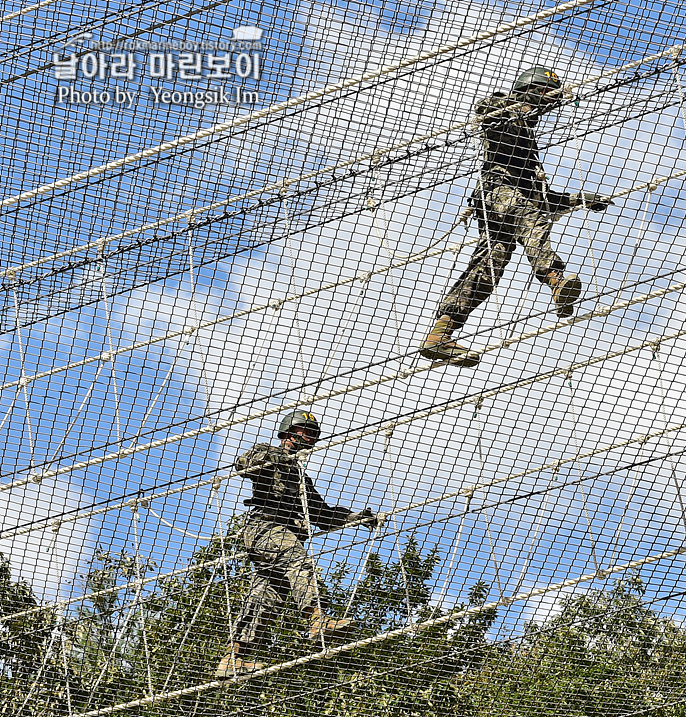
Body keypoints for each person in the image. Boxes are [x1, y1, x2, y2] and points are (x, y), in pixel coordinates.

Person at [419, 66, 612, 367]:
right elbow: (486, 110)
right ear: (532, 90)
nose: (550, 105)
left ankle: (440, 334)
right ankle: (555, 279)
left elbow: (545, 200)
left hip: (504, 208)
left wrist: (581, 199)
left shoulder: (528, 145)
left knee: (487, 268)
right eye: (547, 96)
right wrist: (525, 107)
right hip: (498, 193)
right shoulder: (503, 108)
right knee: (530, 217)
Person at [215, 410, 382, 678]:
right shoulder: (268, 453)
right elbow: (244, 464)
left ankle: (234, 657)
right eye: (307, 432)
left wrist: (354, 518)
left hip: (276, 536)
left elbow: (322, 515)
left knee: (267, 595)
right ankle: (317, 620)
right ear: (290, 434)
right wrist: (275, 457)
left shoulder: (300, 479)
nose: (313, 438)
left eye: (315, 434)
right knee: (298, 561)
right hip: (265, 528)